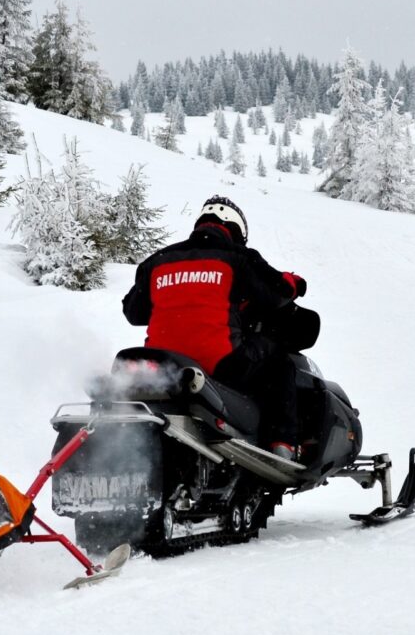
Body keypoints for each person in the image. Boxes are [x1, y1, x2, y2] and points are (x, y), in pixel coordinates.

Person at [121, 196, 307, 460]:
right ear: (236, 229)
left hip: (161, 365)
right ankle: (283, 445)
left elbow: (133, 312)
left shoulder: (158, 261)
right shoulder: (239, 257)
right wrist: (295, 282)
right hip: (219, 362)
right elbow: (276, 292)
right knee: (279, 363)